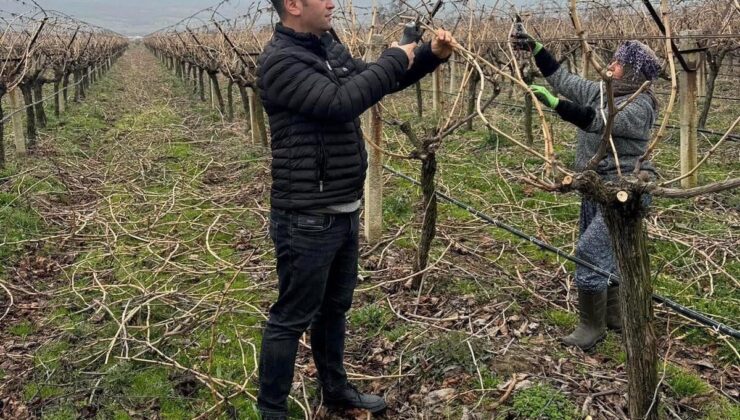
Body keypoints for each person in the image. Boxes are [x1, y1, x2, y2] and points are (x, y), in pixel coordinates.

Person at [255, 0, 455, 417]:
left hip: (343, 207)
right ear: (293, 5)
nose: (331, 3)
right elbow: (341, 102)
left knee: (334, 309)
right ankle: (272, 411)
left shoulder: (324, 46)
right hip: (307, 215)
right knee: (291, 317)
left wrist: (425, 59)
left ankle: (336, 392)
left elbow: (371, 81)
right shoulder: (281, 61)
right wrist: (395, 55)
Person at [512, 30, 661, 350]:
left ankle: (591, 326)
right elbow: (565, 79)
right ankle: (614, 315)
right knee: (610, 253)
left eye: (619, 63)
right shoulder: (605, 90)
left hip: (623, 192)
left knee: (591, 252)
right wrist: (537, 48)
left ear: (633, 73)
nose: (611, 65)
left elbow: (598, 121)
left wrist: (555, 104)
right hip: (596, 186)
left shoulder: (640, 106)